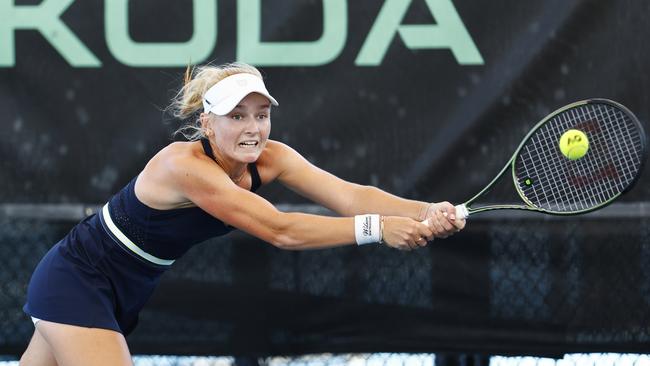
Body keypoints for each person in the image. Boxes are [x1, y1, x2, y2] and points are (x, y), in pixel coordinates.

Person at [19, 62, 466, 366]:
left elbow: (349, 195)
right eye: (237, 116)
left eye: (261, 114)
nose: (253, 128)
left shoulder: (270, 157)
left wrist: (427, 210)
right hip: (77, 279)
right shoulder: (183, 165)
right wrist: (379, 230)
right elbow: (281, 230)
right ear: (208, 123)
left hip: (124, 287)